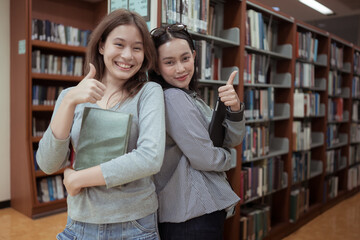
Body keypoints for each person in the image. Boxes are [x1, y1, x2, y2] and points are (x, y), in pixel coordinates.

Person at [36, 9, 165, 240]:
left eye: (137, 48)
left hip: (134, 225)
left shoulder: (148, 92)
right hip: (79, 223)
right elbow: (47, 164)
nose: (128, 56)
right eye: (119, 44)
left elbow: (150, 157)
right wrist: (69, 101)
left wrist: (78, 179)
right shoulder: (70, 95)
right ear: (102, 45)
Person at [149, 24, 246, 239]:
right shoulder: (172, 98)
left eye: (185, 58)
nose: (180, 68)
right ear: (156, 67)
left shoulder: (190, 97)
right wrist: (229, 158)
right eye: (169, 62)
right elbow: (206, 158)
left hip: (195, 211)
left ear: (194, 55)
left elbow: (232, 138)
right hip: (191, 215)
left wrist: (235, 109)